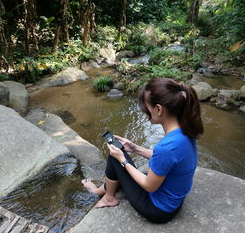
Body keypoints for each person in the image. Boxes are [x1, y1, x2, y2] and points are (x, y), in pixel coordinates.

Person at [82, 78, 204, 223]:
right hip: (174, 198)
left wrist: (123, 160)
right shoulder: (186, 130)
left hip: (158, 210)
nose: (144, 111)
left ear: (159, 109)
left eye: (146, 107)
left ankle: (108, 198)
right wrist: (135, 148)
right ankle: (101, 190)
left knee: (115, 159)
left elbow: (149, 186)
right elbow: (168, 160)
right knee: (122, 164)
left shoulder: (166, 147)